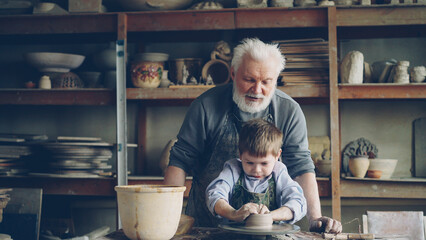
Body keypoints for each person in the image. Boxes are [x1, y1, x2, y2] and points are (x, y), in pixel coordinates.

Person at [164, 38, 342, 233]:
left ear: (276, 79)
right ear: (233, 73)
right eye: (249, 80)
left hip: (268, 231)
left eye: (266, 82)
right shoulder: (205, 106)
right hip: (207, 226)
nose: (257, 90)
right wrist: (168, 218)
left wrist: (315, 218)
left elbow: (301, 167)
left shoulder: (289, 111)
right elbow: (179, 161)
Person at [206, 119, 307, 224]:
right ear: (240, 155)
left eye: (264, 164)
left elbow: (299, 203)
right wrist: (234, 214)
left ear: (277, 155)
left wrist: (270, 216)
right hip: (235, 234)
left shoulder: (279, 171)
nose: (257, 170)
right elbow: (214, 195)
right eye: (249, 163)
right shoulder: (233, 169)